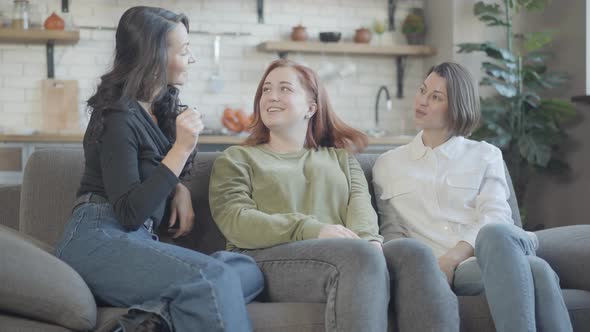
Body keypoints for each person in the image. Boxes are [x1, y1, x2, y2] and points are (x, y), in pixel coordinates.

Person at [54, 6, 263, 332]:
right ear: (153, 56)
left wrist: (176, 186)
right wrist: (181, 149)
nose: (191, 58)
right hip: (97, 238)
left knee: (248, 269)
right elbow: (128, 212)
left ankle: (146, 322)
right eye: (183, 50)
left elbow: (147, 175)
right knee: (216, 276)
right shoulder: (117, 115)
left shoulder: (155, 110)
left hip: (135, 240)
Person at [373, 62, 573, 332]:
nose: (422, 101)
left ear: (456, 108)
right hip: (440, 269)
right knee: (538, 272)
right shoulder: (387, 164)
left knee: (496, 233)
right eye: (423, 90)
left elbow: (497, 215)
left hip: (482, 256)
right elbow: (392, 231)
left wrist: (452, 258)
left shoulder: (485, 155)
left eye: (436, 97)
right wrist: (422, 270)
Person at [209, 59, 389, 332]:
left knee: (415, 254)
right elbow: (237, 220)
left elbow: (360, 208)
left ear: (311, 107)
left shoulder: (341, 159)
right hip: (265, 262)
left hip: (345, 256)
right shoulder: (237, 158)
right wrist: (312, 229)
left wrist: (369, 242)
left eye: (284, 89)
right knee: (360, 258)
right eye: (266, 90)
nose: (272, 96)